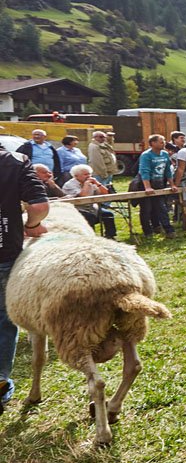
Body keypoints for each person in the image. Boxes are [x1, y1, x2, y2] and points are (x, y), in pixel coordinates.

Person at [0, 140, 49, 417]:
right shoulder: (15, 161)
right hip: (3, 249)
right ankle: (0, 379)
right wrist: (31, 226)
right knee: (3, 318)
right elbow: (39, 206)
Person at [137, 135, 177, 239]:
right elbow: (144, 171)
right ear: (153, 143)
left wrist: (172, 184)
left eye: (163, 141)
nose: (164, 143)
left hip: (159, 183)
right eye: (161, 141)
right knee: (146, 209)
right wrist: (147, 187)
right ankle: (147, 232)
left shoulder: (164, 154)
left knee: (161, 208)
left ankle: (168, 230)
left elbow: (168, 171)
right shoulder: (146, 155)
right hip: (146, 183)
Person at [61, 164, 116, 239]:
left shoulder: (91, 182)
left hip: (91, 208)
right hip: (76, 209)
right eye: (85, 174)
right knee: (90, 217)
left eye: (89, 174)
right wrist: (86, 184)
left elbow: (105, 193)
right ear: (76, 176)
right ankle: (90, 238)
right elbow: (84, 196)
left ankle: (110, 236)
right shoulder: (70, 185)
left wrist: (97, 184)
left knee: (108, 214)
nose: (88, 176)